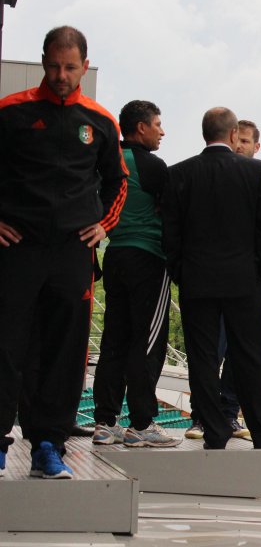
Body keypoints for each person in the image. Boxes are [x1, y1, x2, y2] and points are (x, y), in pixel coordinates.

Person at [0, 26, 128, 479]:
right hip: (17, 251)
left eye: (70, 67)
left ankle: (48, 446)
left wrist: (104, 226)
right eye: (53, 66)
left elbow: (118, 182)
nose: (60, 75)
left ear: (84, 66)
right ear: (42, 61)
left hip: (72, 254)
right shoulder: (11, 112)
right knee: (6, 345)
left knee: (65, 352)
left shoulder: (100, 121)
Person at [163, 107, 261, 450]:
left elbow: (170, 235)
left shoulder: (179, 174)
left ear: (204, 133)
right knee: (251, 356)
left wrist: (181, 273)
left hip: (197, 282)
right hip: (244, 282)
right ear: (233, 135)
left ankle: (213, 430)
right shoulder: (256, 172)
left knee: (201, 357)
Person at [91, 100, 180, 448]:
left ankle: (105, 421)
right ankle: (142, 424)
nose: (162, 130)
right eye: (158, 124)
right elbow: (173, 211)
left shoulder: (108, 162)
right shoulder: (152, 166)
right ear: (140, 127)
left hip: (114, 256)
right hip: (148, 259)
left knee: (114, 338)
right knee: (147, 342)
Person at [184, 119, 261, 441]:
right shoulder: (211, 177)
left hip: (247, 284)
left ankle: (229, 415)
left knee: (237, 357)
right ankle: (201, 416)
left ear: (257, 146)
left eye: (247, 141)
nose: (240, 146)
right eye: (237, 140)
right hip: (209, 281)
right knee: (208, 352)